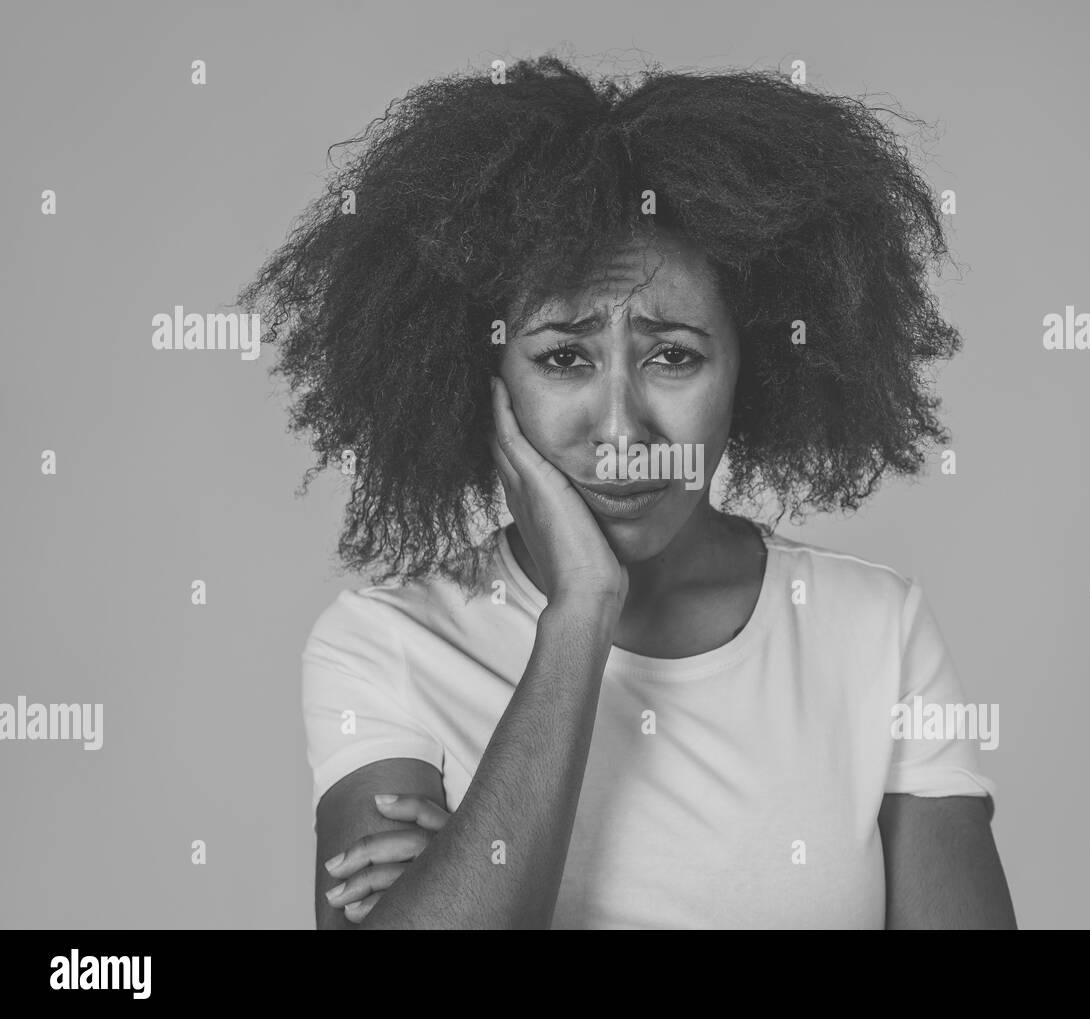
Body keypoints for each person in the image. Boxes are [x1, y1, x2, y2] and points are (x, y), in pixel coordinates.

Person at [238, 54, 1016, 929]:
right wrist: (580, 615)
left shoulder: (877, 633)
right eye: (564, 357)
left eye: (673, 355)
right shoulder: (387, 648)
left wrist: (468, 870)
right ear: (481, 376)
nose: (622, 431)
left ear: (751, 369)